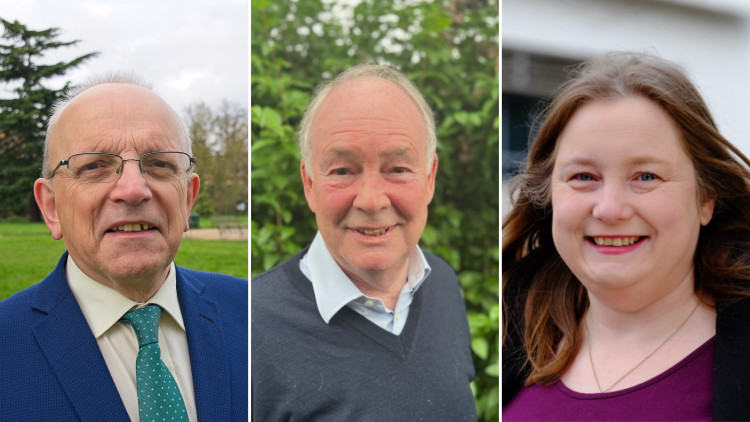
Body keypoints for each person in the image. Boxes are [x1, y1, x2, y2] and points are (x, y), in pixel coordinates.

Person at [502, 51, 750, 421]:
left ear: (706, 198)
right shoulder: (510, 329)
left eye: (646, 177)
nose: (609, 209)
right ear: (549, 195)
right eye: (583, 177)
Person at [0, 74, 248, 421]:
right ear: (51, 207)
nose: (133, 189)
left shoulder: (254, 315)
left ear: (188, 199)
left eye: (159, 164)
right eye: (94, 166)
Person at [251, 64, 476, 420]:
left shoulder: (443, 284)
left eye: (398, 169)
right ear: (309, 184)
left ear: (430, 178)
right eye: (342, 170)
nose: (371, 200)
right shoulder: (251, 329)